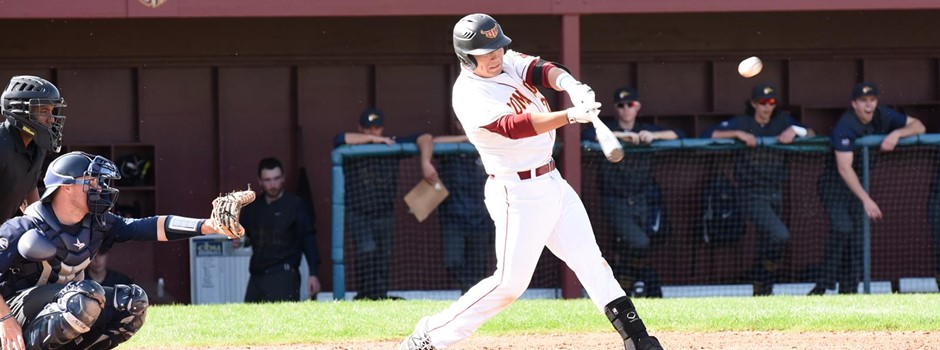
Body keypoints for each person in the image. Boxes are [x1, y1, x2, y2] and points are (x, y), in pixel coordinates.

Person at [400, 14, 663, 350]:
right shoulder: (469, 94)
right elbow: (516, 126)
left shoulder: (504, 61)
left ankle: (638, 339)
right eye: (486, 51)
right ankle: (428, 336)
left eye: (497, 47)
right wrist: (569, 115)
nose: (496, 55)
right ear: (466, 57)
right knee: (509, 284)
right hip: (516, 192)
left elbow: (540, 69)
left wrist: (570, 85)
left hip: (551, 180)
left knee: (590, 260)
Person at [0, 151, 244, 350]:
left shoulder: (98, 223)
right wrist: (5, 320)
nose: (100, 188)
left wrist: (208, 226)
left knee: (132, 303)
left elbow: (148, 226)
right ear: (66, 187)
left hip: (60, 304)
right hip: (14, 316)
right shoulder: (23, 227)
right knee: (85, 296)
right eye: (92, 182)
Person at [809, 82, 925, 295]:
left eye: (872, 100)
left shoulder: (883, 115)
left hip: (859, 186)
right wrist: (866, 199)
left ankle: (849, 292)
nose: (868, 105)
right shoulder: (846, 125)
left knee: (856, 239)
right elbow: (844, 169)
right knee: (843, 228)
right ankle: (823, 284)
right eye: (863, 101)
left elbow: (919, 126)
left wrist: (897, 134)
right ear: (854, 104)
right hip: (835, 184)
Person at [709, 83, 814, 296]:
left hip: (776, 191)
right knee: (780, 235)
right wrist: (737, 134)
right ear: (754, 104)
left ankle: (762, 289)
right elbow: (710, 134)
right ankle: (762, 283)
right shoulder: (743, 122)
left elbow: (812, 133)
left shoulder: (782, 122)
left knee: (767, 241)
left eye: (772, 102)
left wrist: (796, 130)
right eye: (763, 102)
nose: (767, 107)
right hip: (750, 193)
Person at [584, 86, 681, 298]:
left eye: (631, 105)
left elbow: (678, 134)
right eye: (621, 105)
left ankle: (630, 282)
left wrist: (652, 136)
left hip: (642, 199)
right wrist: (620, 136)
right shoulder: (606, 128)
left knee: (645, 242)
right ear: (615, 109)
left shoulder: (645, 128)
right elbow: (588, 135)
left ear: (638, 107)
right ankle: (633, 279)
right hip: (614, 199)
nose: (626, 109)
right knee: (639, 242)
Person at [334, 108, 437, 300]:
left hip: (383, 213)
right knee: (367, 249)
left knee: (382, 255)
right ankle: (364, 295)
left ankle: (379, 296)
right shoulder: (355, 144)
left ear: (382, 128)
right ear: (360, 128)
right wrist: (373, 140)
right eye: (368, 128)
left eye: (377, 128)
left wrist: (425, 163)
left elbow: (425, 137)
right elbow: (339, 139)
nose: (373, 132)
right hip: (358, 212)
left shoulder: (391, 144)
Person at [234, 157, 320, 302]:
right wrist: (239, 241)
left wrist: (313, 273)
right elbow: (245, 237)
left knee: (282, 322)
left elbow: (308, 240)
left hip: (284, 274)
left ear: (283, 178)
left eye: (276, 179)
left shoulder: (296, 205)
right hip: (257, 274)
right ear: (260, 181)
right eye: (267, 180)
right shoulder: (252, 208)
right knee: (248, 321)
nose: (272, 184)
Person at [432, 122, 495, 294]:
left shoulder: (489, 145)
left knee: (478, 268)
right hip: (453, 217)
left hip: (481, 218)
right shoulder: (452, 147)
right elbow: (432, 141)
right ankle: (470, 291)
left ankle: (472, 303)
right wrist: (466, 139)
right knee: (452, 261)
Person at [0, 75, 67, 224]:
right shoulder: (2, 145)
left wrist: (43, 226)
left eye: (52, 111)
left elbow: (27, 187)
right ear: (20, 110)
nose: (52, 119)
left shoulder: (36, 146)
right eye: (44, 111)